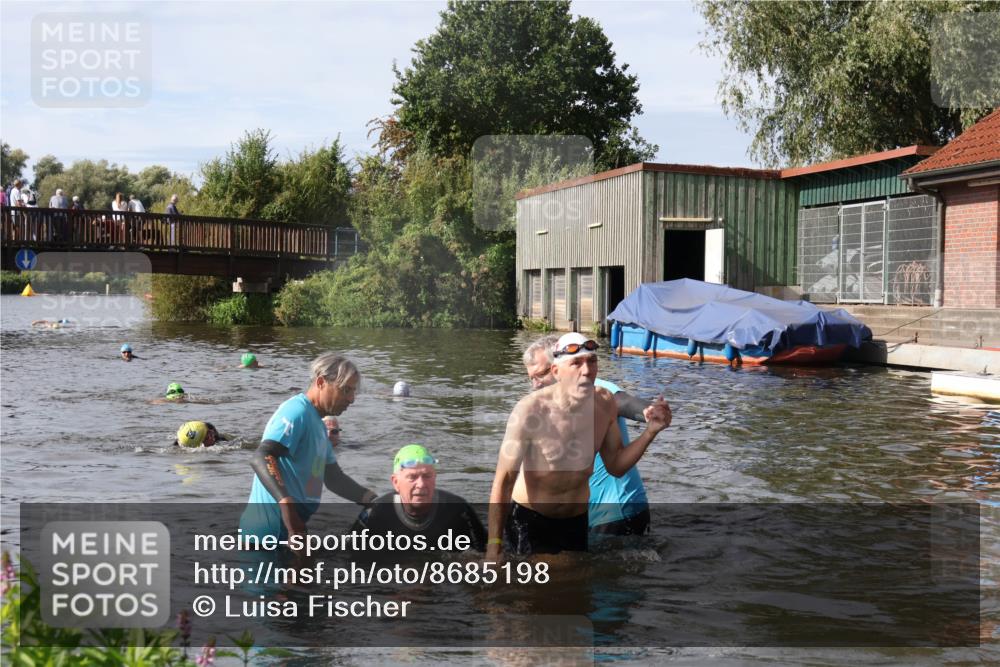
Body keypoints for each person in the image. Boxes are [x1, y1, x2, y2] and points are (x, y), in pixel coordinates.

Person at [487, 333, 671, 558]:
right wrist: (493, 546)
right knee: (531, 591)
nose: (586, 370)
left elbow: (616, 465)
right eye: (576, 363)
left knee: (576, 590)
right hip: (530, 519)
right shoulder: (529, 411)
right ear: (557, 372)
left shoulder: (604, 403)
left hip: (575, 521)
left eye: (591, 362)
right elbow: (503, 481)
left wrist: (650, 432)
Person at [239, 353, 377, 541]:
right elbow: (262, 456)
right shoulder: (297, 412)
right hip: (265, 536)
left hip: (290, 530)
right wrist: (288, 507)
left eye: (353, 392)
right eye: (346, 390)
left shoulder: (319, 426)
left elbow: (334, 478)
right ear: (321, 382)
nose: (352, 399)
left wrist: (375, 501)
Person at [523, 335, 651, 537]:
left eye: (540, 375)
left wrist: (647, 411)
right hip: (588, 514)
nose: (535, 384)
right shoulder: (548, 404)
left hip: (616, 510)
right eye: (531, 378)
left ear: (558, 367)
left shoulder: (593, 387)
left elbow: (623, 402)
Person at [352, 445, 486, 552]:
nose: (421, 484)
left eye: (427, 476)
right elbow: (349, 561)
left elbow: (488, 554)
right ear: (395, 482)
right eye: (412, 477)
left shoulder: (458, 509)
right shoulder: (374, 514)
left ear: (435, 478)